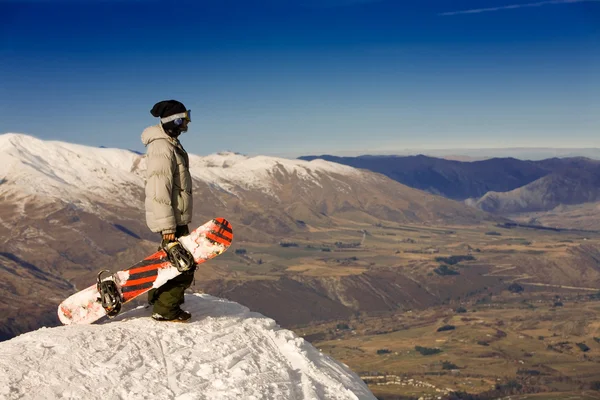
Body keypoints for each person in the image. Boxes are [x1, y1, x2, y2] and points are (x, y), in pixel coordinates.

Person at [141, 99, 194, 322]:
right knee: (184, 266)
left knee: (168, 262)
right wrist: (167, 227)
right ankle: (165, 310)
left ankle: (158, 298)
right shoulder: (162, 147)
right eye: (184, 119)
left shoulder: (169, 143)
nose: (187, 124)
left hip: (175, 218)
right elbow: (158, 188)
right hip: (171, 221)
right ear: (175, 121)